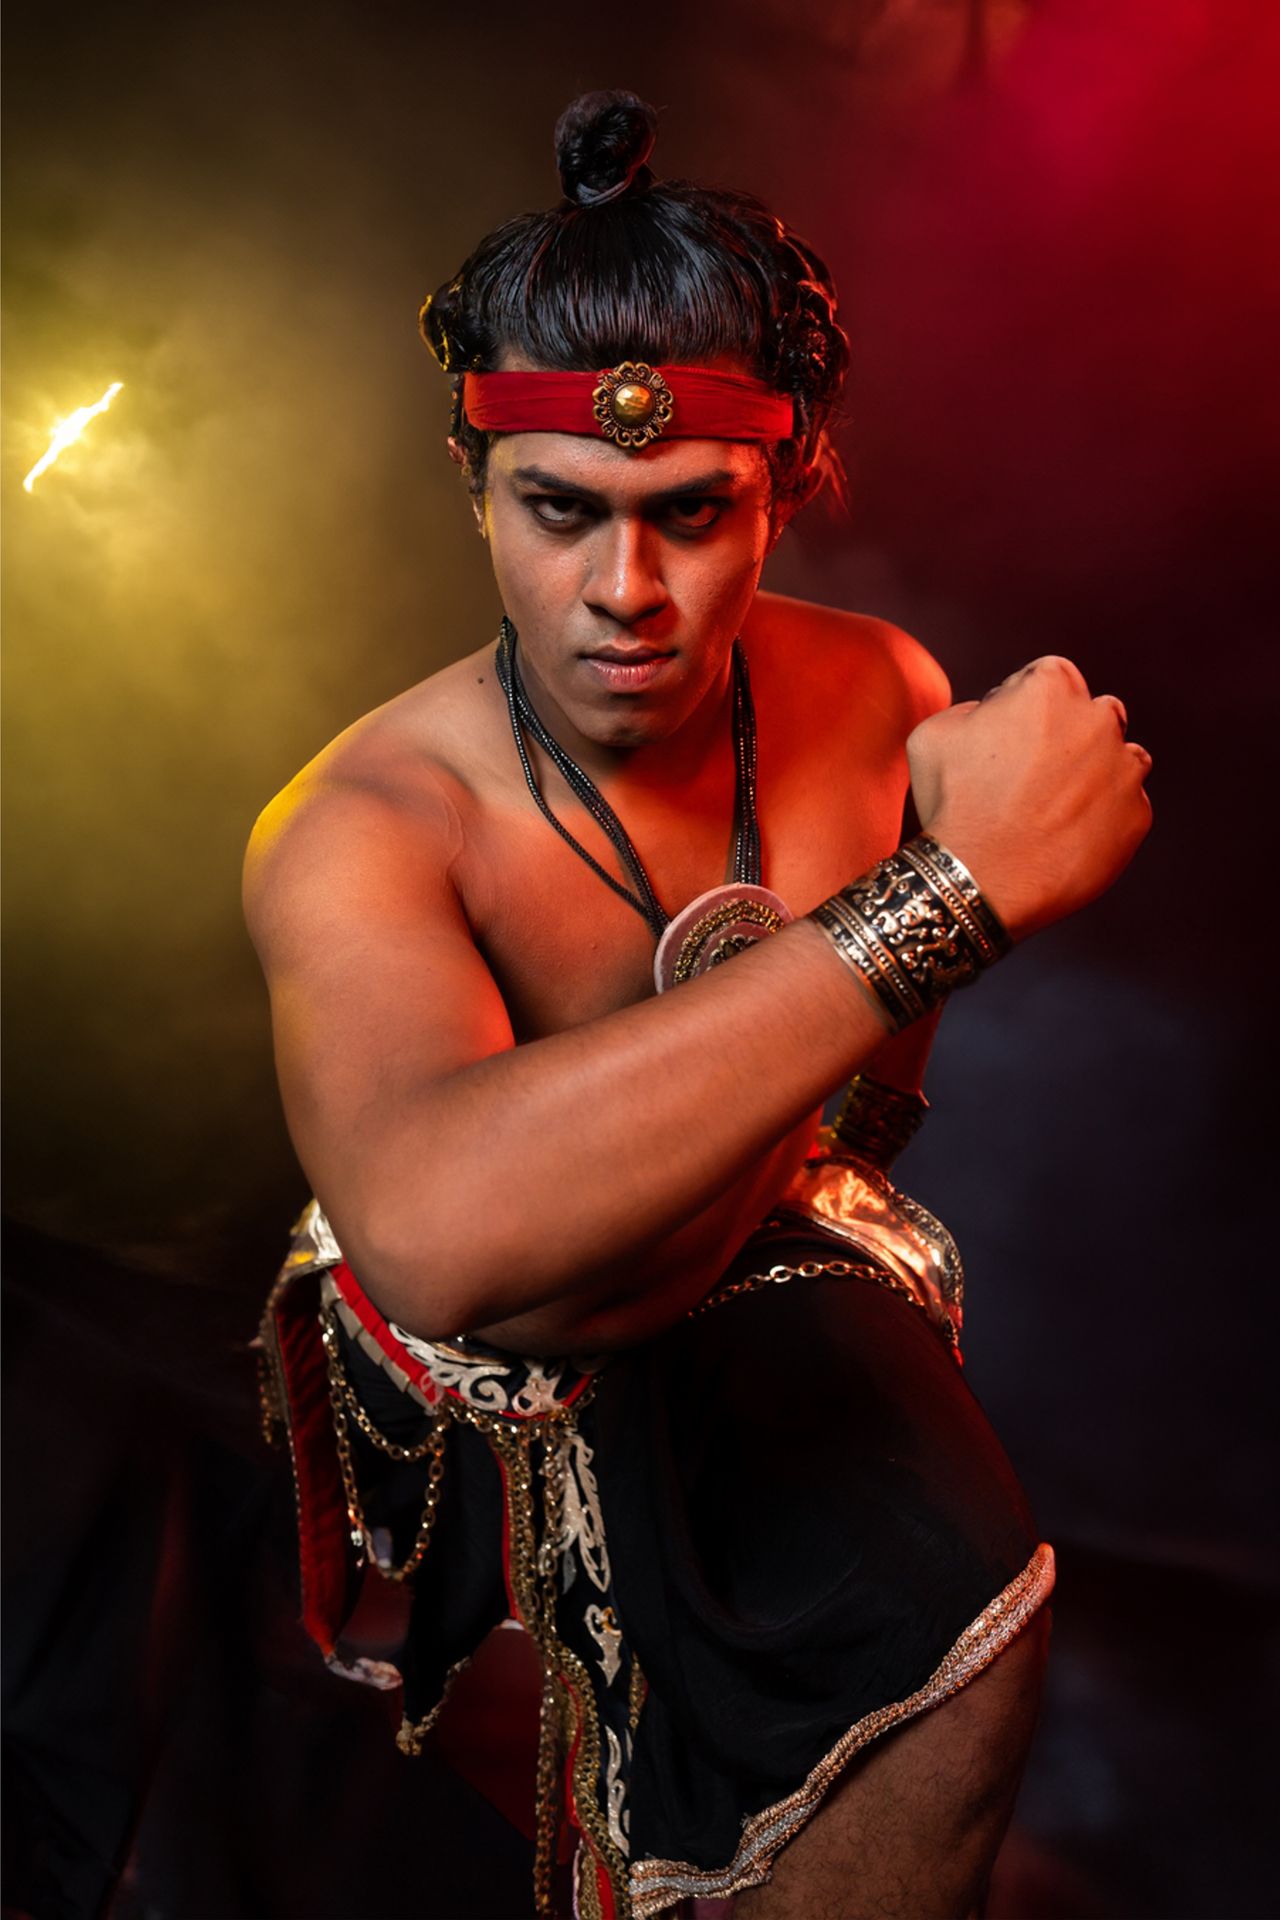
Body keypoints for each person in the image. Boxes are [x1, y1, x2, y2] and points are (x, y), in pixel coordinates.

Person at [246, 90, 1151, 1920]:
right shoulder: (358, 822)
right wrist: (950, 898)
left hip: (755, 1264)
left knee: (971, 1627)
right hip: (489, 1375)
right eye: (559, 512)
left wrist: (778, 1127)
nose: (626, 595)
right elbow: (437, 1234)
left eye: (694, 514)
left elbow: (866, 1103)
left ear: (789, 482)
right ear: (473, 480)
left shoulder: (880, 688)